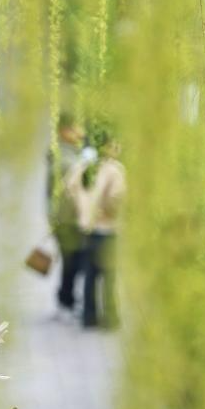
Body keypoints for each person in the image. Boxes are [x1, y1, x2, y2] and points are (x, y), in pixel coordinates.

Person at [67, 128, 126, 328]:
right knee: (109, 276)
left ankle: (89, 316)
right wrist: (104, 210)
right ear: (107, 146)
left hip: (87, 229)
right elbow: (117, 198)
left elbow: (70, 187)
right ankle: (110, 317)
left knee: (90, 275)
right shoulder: (114, 169)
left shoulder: (83, 166)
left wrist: (82, 209)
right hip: (107, 230)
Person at [46, 113, 84, 318]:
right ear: (63, 131)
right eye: (75, 128)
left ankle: (67, 299)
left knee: (73, 260)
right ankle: (65, 301)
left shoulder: (72, 153)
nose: (80, 132)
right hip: (67, 218)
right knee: (71, 260)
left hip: (71, 217)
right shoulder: (62, 156)